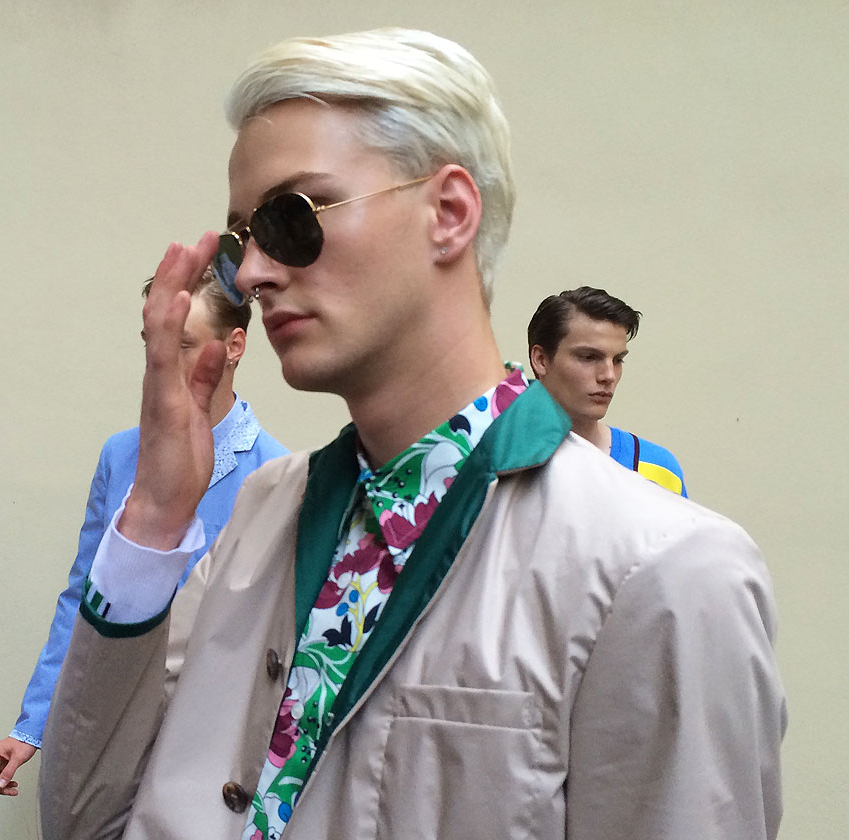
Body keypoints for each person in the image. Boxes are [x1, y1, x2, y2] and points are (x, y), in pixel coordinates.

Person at [39, 28, 785, 840]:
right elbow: (86, 822)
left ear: (449, 214)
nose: (252, 274)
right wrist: (154, 518)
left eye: (292, 217)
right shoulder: (260, 516)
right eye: (239, 241)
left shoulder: (664, 575)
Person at [0, 269, 287, 796]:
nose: (162, 360)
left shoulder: (275, 475)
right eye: (153, 342)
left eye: (184, 344)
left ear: (234, 346)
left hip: (212, 749)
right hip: (108, 725)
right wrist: (32, 724)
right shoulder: (121, 454)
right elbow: (84, 597)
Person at [528, 286, 687, 495]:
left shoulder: (658, 469)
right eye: (589, 357)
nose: (609, 375)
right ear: (541, 360)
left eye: (618, 360)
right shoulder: (496, 461)